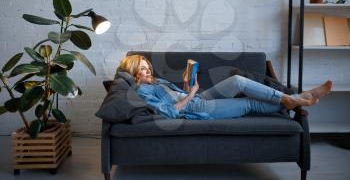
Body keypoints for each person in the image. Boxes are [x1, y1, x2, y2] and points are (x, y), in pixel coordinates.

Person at [117, 55, 332, 120]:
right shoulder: (142, 92)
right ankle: (295, 98)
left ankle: (293, 98)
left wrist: (187, 84)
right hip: (198, 107)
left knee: (238, 81)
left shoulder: (155, 82)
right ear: (134, 72)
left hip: (200, 96)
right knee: (248, 104)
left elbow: (177, 96)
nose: (148, 71)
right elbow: (171, 111)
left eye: (148, 68)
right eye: (143, 69)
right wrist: (191, 93)